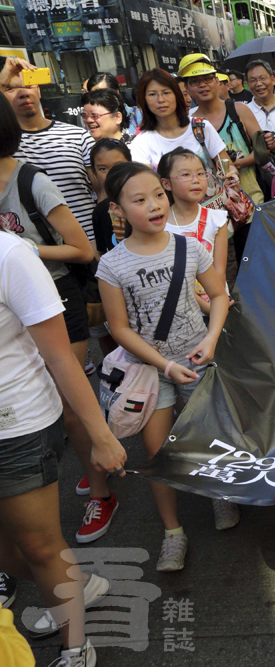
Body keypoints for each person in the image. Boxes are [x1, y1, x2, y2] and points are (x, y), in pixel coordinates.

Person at [0, 158, 127, 666]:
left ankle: (77, 645)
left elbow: (61, 357)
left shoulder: (12, 255)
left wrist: (100, 435)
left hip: (18, 427)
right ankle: (76, 585)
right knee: (9, 547)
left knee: (39, 547)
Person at [97, 161, 229, 571]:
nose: (154, 205)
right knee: (158, 455)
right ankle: (173, 533)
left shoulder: (191, 246)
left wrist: (210, 339)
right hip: (147, 373)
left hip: (197, 359)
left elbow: (219, 296)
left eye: (158, 194)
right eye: (139, 200)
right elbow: (118, 328)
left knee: (207, 438)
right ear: (117, 210)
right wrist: (165, 367)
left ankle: (218, 496)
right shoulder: (112, 265)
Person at [4, 72, 97, 243]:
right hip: (46, 252)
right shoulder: (5, 149)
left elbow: (101, 191)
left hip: (92, 241)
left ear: (38, 90)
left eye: (29, 85)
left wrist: (103, 239)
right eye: (11, 88)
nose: (23, 93)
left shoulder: (78, 136)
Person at [182, 54, 267, 214]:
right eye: (195, 82)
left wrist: (236, 165)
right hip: (212, 210)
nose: (202, 85)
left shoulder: (239, 110)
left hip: (249, 202)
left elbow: (262, 151)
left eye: (207, 79)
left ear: (217, 82)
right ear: (186, 88)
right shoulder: (189, 124)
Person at [129, 69, 238, 181]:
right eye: (152, 94)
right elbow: (146, 184)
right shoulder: (141, 143)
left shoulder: (201, 127)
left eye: (166, 93)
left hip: (212, 197)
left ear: (177, 95)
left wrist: (232, 173)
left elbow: (227, 165)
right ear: (144, 100)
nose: (161, 99)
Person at [159, 148, 231, 320]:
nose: (195, 180)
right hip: (182, 311)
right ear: (166, 184)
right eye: (185, 175)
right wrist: (206, 307)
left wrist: (216, 304)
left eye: (200, 173)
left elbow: (219, 270)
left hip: (217, 303)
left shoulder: (217, 218)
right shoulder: (161, 226)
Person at [246, 59, 275, 134]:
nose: (258, 84)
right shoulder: (245, 112)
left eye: (262, 78)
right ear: (248, 85)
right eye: (253, 80)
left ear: (273, 80)